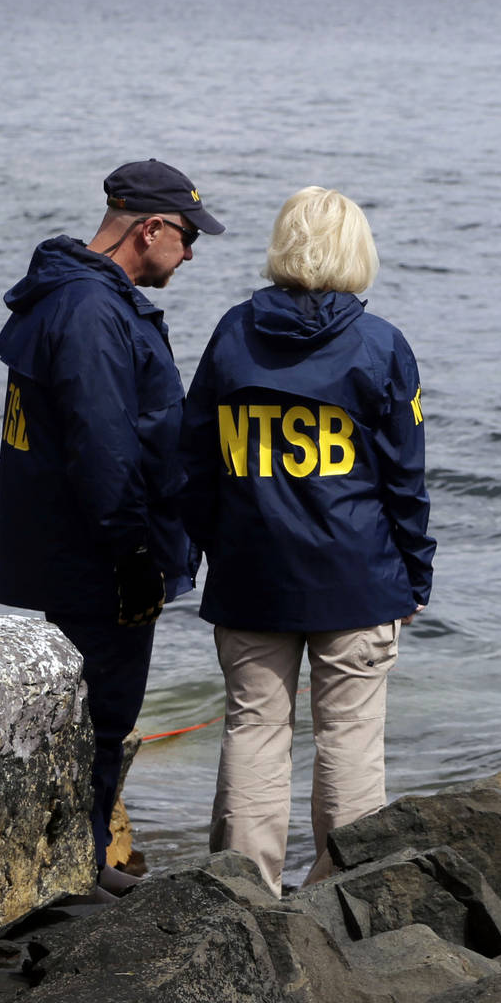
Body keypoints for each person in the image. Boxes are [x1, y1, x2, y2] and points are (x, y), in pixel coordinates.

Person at [181, 186, 433, 893]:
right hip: (356, 575)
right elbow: (404, 480)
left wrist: (214, 546)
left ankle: (240, 892)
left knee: (255, 728)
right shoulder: (381, 345)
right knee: (350, 738)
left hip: (251, 573)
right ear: (358, 252)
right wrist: (415, 574)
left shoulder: (232, 333)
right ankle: (343, 897)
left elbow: (191, 458)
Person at [0, 158, 226, 895]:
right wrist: (131, 553)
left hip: (71, 548)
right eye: (186, 236)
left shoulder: (71, 294)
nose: (190, 253)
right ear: (149, 227)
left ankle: (81, 862)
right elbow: (103, 445)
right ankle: (73, 875)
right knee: (98, 719)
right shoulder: (91, 310)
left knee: (89, 717)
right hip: (98, 557)